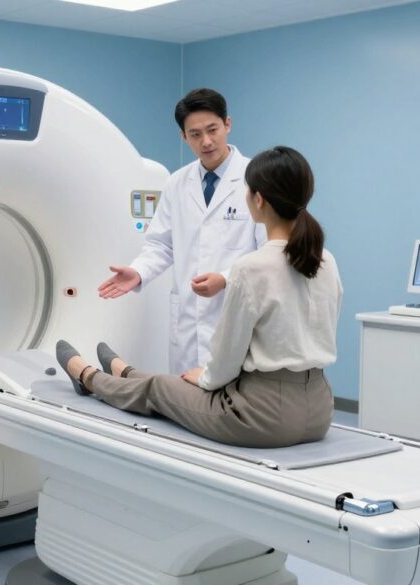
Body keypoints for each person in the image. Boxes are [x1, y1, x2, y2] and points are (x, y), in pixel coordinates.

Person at [61, 146, 342, 448]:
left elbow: (228, 357)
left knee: (161, 387)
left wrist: (205, 377)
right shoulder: (326, 260)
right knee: (172, 383)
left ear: (258, 199)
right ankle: (125, 372)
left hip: (261, 416)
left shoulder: (250, 268)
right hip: (319, 410)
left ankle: (88, 378)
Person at [98, 88, 265, 374]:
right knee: (183, 394)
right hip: (189, 320)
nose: (206, 141)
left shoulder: (256, 179)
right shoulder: (176, 183)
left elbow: (268, 254)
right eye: (195, 134)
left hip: (235, 310)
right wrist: (138, 271)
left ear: (227, 124)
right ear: (183, 136)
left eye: (212, 130)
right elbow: (161, 244)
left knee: (231, 392)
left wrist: (225, 279)